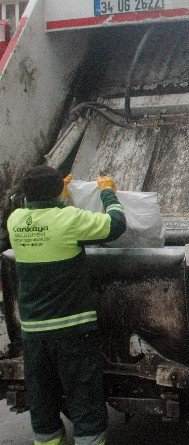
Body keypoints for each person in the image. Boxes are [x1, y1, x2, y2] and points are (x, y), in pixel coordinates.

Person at [7, 166, 126, 445]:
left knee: (42, 398)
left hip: (34, 332)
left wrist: (59, 194)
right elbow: (115, 225)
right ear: (57, 191)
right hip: (71, 330)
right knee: (83, 397)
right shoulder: (70, 220)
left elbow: (47, 223)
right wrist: (108, 193)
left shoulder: (16, 221)